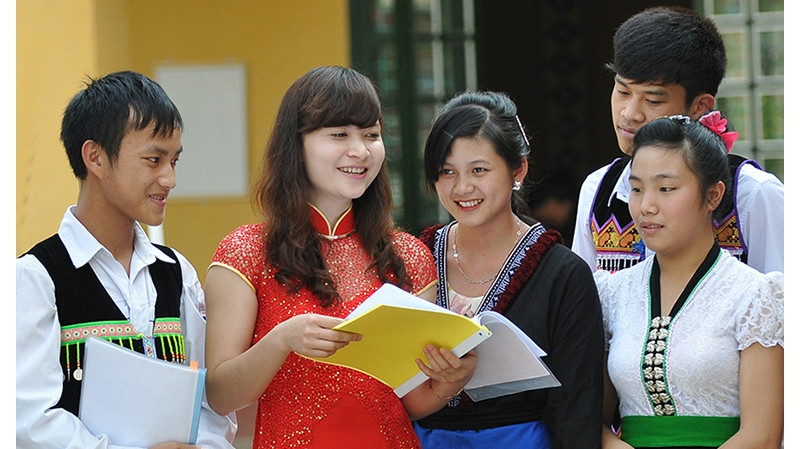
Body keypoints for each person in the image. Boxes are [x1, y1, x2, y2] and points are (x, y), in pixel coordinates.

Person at [203, 65, 476, 449]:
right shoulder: (245, 252)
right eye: (339, 134)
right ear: (295, 143)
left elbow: (410, 401)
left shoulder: (409, 257)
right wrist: (281, 340)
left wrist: (450, 382)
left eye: (371, 135)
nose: (360, 150)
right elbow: (220, 395)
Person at [16, 71, 237, 448]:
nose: (169, 179)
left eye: (174, 161)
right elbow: (29, 422)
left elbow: (209, 404)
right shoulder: (36, 278)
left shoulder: (176, 272)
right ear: (95, 157)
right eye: (153, 160)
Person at [413, 90, 604, 448]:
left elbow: (576, 406)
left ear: (519, 168)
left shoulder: (563, 274)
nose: (462, 187)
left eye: (479, 170)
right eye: (446, 172)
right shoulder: (414, 258)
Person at [594, 114, 783, 448]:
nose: (646, 206)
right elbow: (591, 420)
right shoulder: (612, 293)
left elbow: (762, 435)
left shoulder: (754, 295)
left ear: (713, 196)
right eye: (636, 189)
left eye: (666, 189)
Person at [572, 6, 784, 274]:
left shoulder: (753, 196)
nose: (629, 113)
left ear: (700, 106)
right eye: (623, 91)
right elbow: (583, 307)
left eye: (652, 100)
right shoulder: (598, 192)